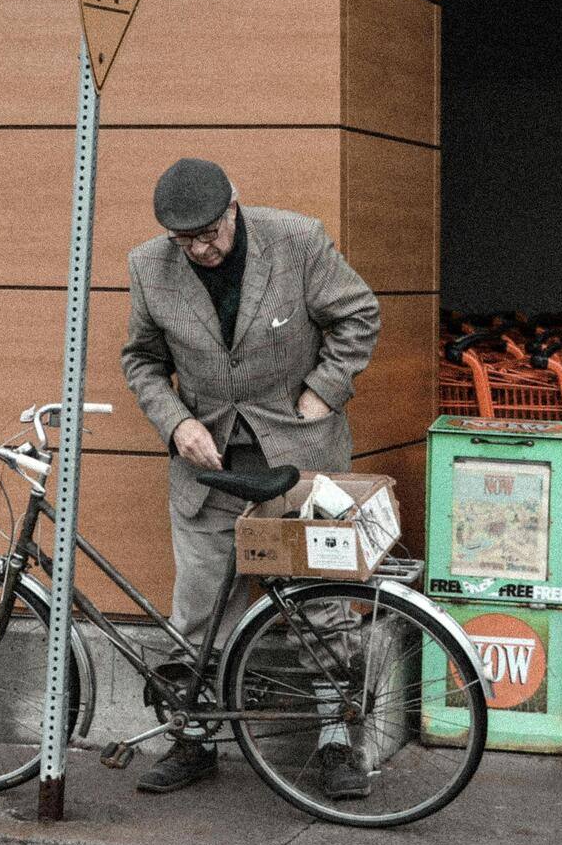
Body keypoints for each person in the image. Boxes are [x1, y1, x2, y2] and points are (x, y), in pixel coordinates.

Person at [121, 157, 381, 796]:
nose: (203, 251)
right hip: (208, 460)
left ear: (233, 208)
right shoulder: (148, 268)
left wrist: (323, 389)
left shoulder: (296, 240)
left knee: (318, 598)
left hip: (297, 448)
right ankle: (195, 737)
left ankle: (335, 738)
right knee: (201, 601)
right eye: (187, 243)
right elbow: (142, 361)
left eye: (211, 234)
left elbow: (358, 315)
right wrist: (177, 423)